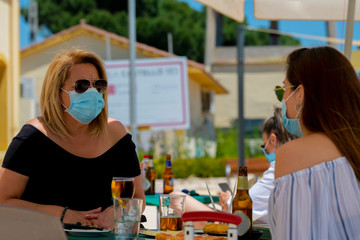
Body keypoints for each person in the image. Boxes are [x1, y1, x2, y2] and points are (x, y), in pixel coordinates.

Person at [0, 49, 145, 230]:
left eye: (98, 85)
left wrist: (117, 212)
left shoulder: (116, 134)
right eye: (81, 86)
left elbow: (137, 198)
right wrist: (62, 214)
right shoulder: (32, 138)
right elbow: (3, 201)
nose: (92, 93)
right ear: (57, 91)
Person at [269, 46, 360, 239]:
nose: (283, 99)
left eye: (284, 89)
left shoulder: (294, 155)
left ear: (300, 94)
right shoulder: (353, 147)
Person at [173, 107, 294, 227]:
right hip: (251, 225)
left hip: (236, 227)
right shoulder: (296, 166)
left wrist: (228, 199)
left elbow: (238, 208)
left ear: (273, 140)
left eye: (264, 145)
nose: (263, 149)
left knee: (176, 199)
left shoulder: (278, 169)